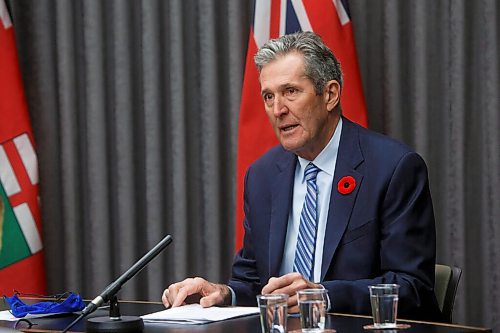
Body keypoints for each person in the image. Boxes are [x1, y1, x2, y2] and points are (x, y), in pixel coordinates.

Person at [162, 31, 443, 321]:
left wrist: (321, 296)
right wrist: (222, 294)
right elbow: (252, 284)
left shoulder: (393, 168)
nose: (278, 110)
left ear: (330, 94)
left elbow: (413, 288)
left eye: (291, 92)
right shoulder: (262, 176)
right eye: (269, 96)